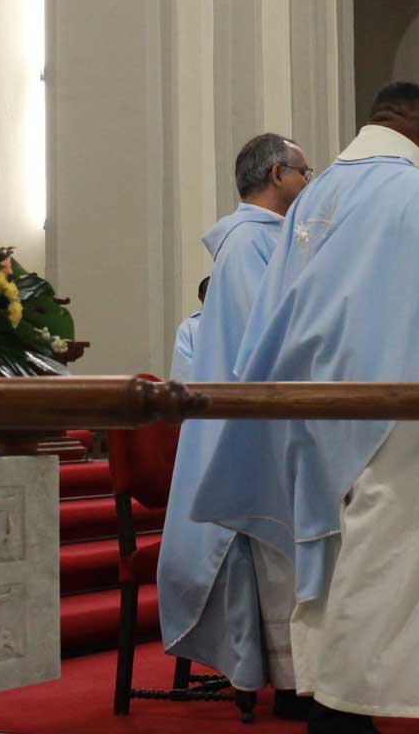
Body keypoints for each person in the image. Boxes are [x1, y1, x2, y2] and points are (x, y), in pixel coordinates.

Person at [190, 82, 419, 734]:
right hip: (414, 439)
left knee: (341, 596)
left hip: (324, 435)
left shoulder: (308, 202)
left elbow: (273, 323)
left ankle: (339, 715)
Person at [159, 135, 312, 717]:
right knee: (284, 549)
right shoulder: (251, 242)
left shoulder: (266, 240)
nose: (309, 182)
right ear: (279, 174)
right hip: (264, 425)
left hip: (273, 419)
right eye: (305, 171)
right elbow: (266, 335)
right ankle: (296, 682)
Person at [169, 276, 209, 384]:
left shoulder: (234, 323)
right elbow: (182, 368)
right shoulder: (189, 327)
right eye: (209, 293)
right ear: (200, 297)